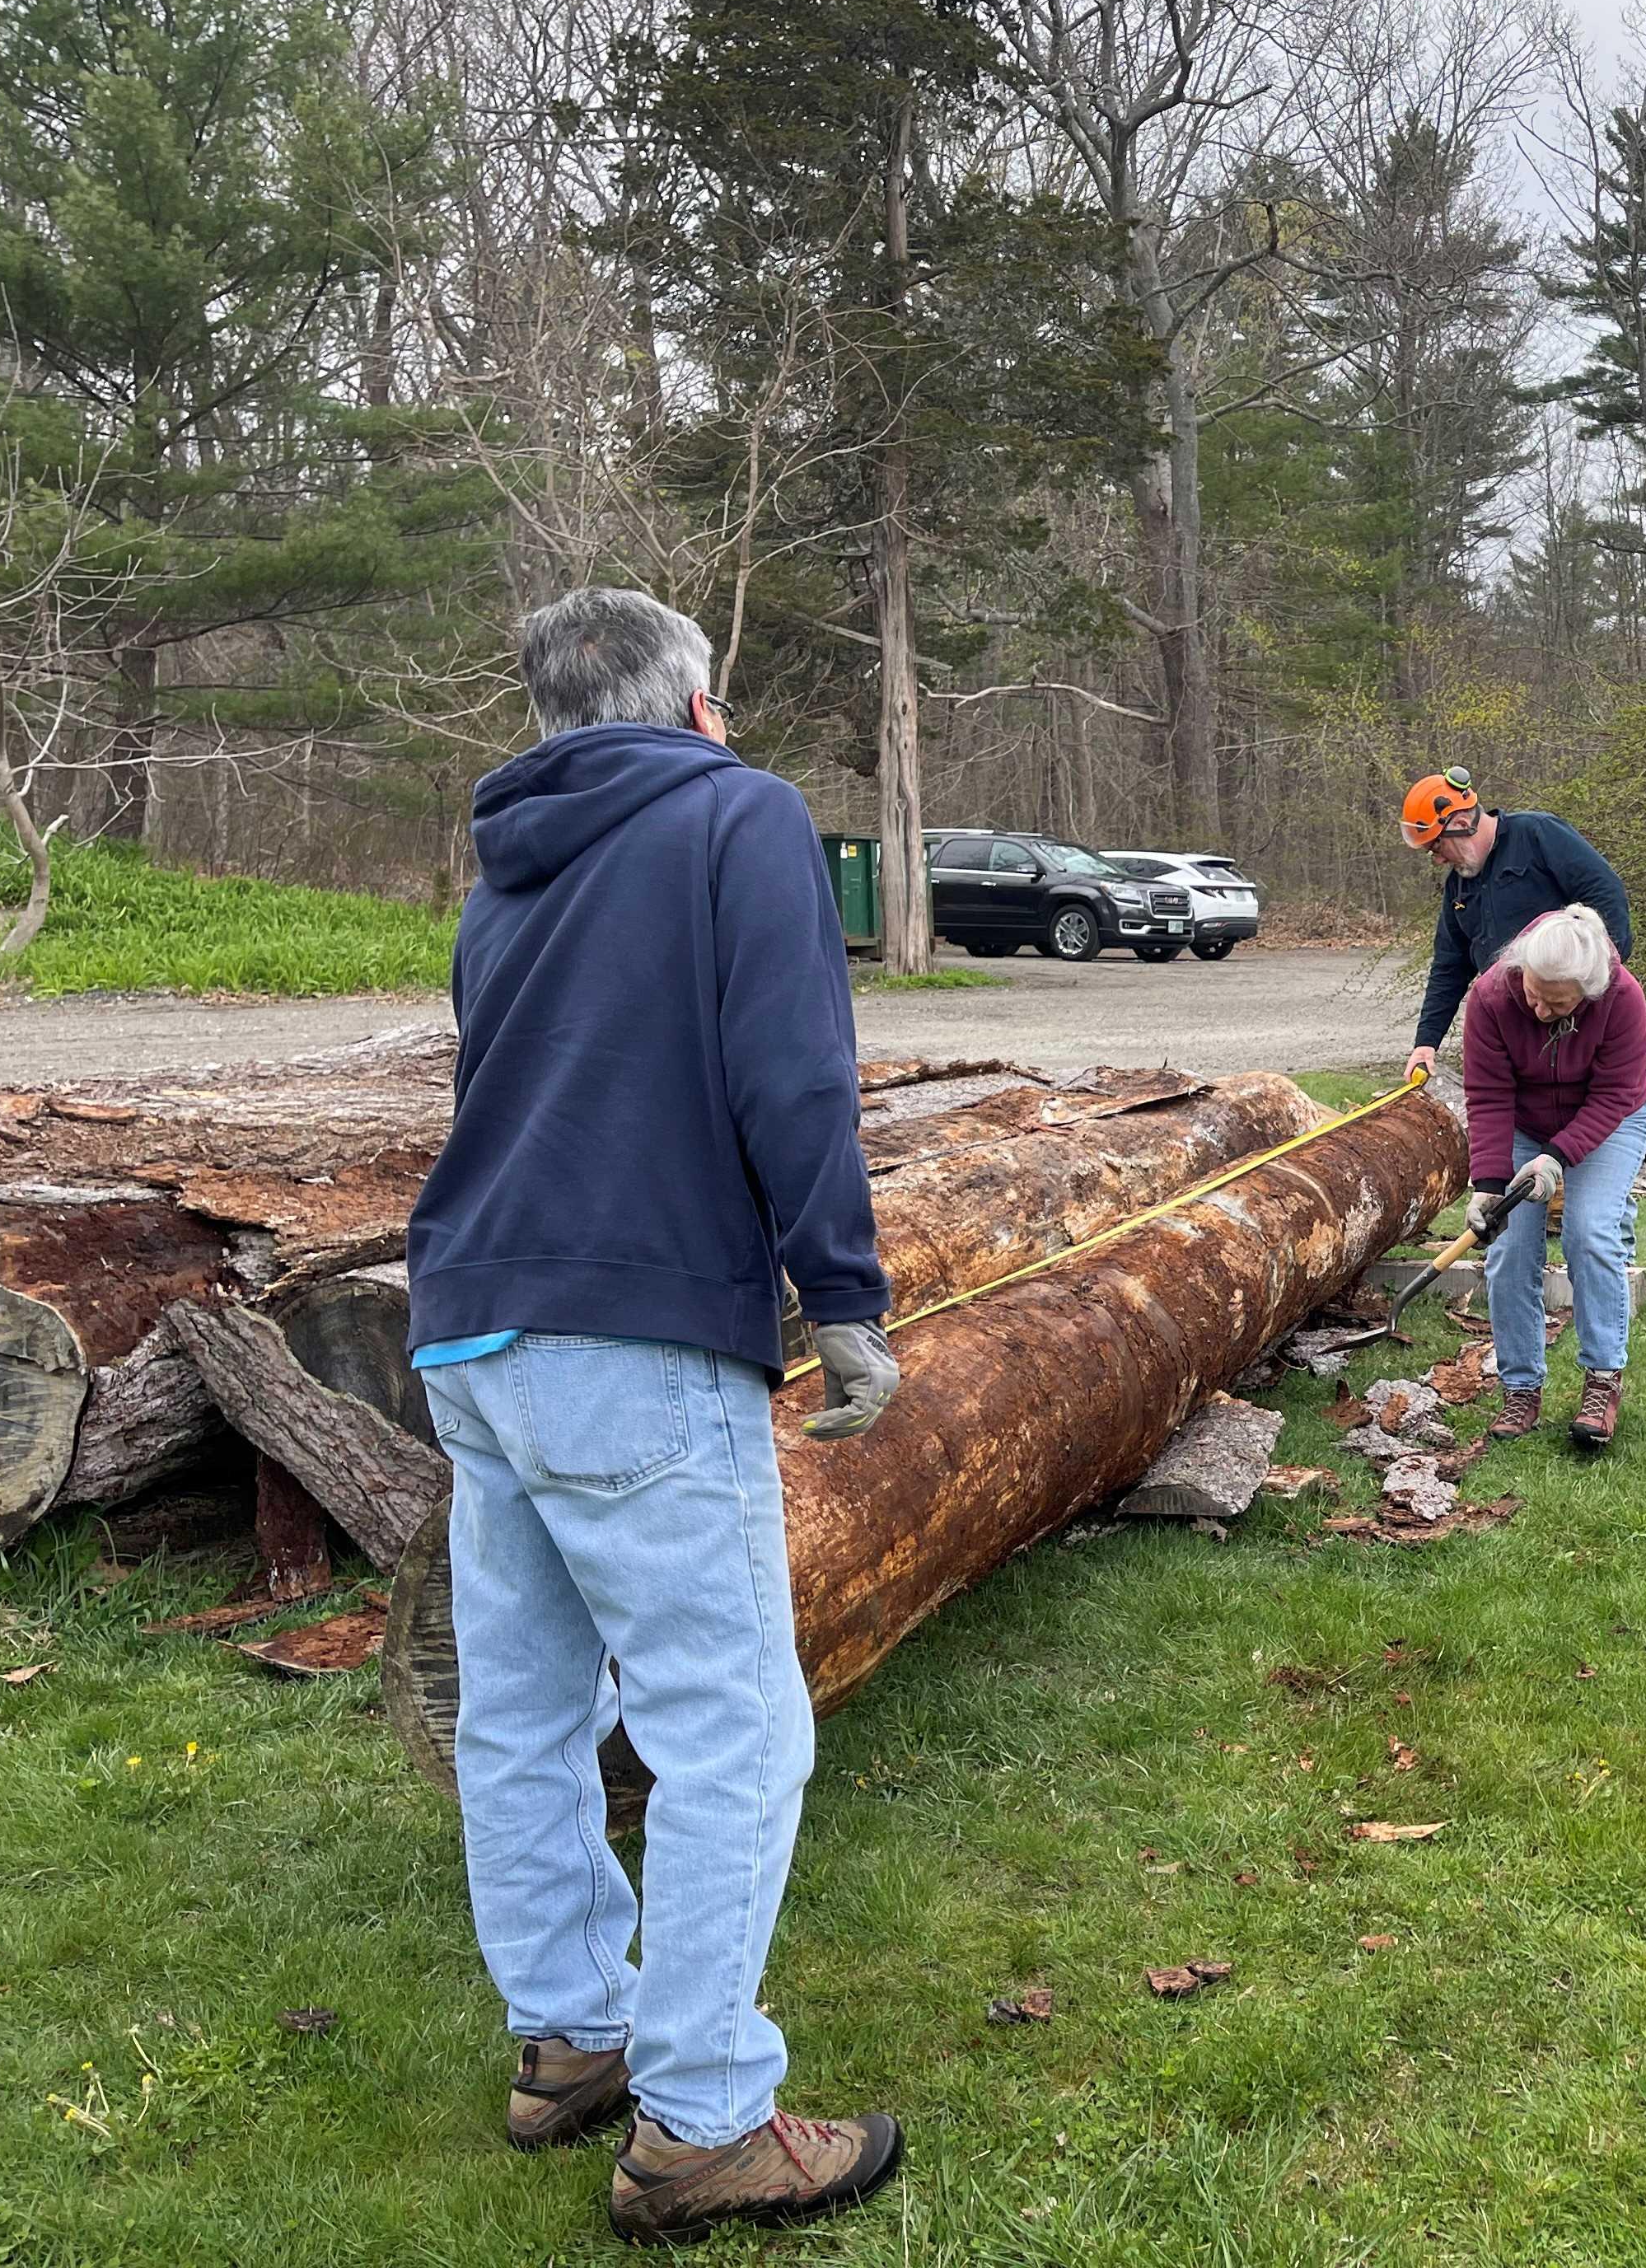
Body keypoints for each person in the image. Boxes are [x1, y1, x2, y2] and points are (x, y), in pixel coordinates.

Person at [404, 586, 908, 2246]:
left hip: (473, 1329)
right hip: (626, 1332)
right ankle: (702, 2120)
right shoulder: (737, 815)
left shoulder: (508, 864)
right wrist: (844, 1300)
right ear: (696, 704)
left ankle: (572, 2032)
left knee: (527, 1712)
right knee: (737, 1733)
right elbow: (791, 1066)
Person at [1458, 904, 1646, 1447]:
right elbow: (1489, 1096)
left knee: (1590, 1231)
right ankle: (1520, 1387)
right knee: (1510, 1247)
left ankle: (1602, 1380)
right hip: (1522, 1120)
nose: (1540, 1008)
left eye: (1557, 1002)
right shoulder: (1494, 996)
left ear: (1587, 993)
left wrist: (1558, 1155)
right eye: (1534, 993)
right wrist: (1488, 1186)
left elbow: (1615, 1094)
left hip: (1608, 1119)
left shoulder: (1622, 1000)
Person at [1399, 768, 1632, 1079]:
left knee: (1596, 1106)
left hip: (1574, 1013)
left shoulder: (1538, 835)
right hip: (1515, 1028)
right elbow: (1449, 965)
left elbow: (1606, 894)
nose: (1438, 860)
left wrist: (1597, 981)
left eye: (1437, 847)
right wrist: (1427, 1042)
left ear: (1461, 824)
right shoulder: (1458, 887)